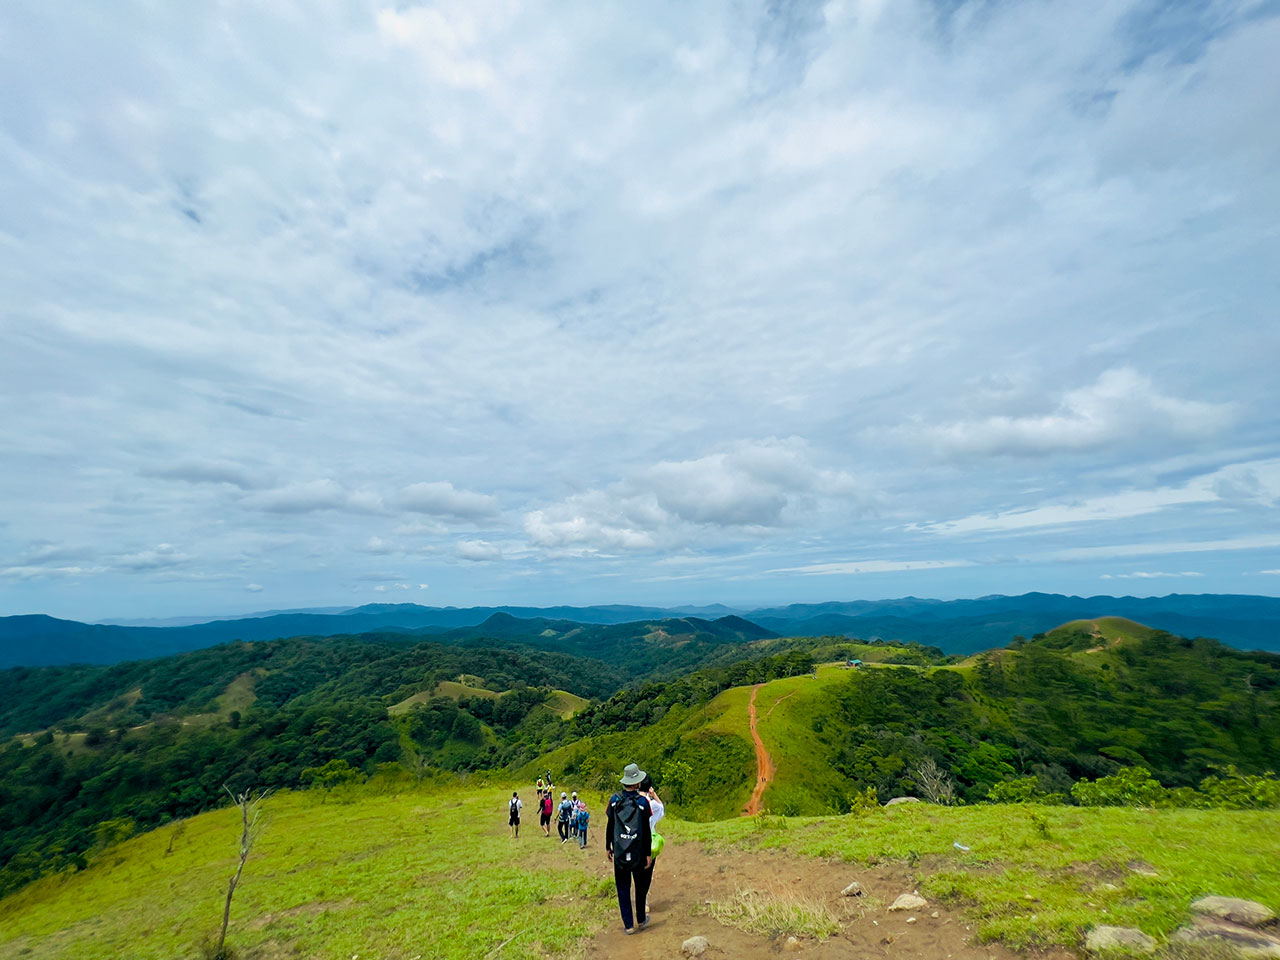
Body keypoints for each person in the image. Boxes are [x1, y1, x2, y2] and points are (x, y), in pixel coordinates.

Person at [606, 762, 654, 935]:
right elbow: (647, 831)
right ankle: (641, 919)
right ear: (637, 783)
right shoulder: (642, 802)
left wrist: (608, 847)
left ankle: (628, 925)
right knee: (640, 887)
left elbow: (610, 825)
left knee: (623, 888)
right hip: (638, 852)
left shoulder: (614, 800)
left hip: (619, 851)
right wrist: (648, 854)